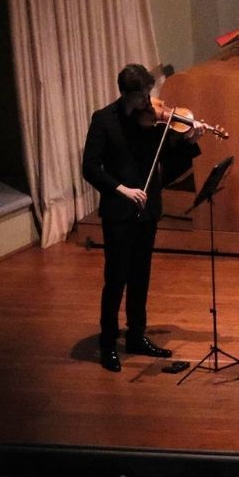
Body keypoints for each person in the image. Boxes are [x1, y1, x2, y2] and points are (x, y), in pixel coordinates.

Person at [82, 64, 201, 372]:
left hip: (147, 209)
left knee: (140, 276)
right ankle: (108, 343)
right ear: (127, 93)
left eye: (149, 93)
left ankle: (136, 335)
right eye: (142, 95)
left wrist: (189, 140)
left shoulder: (149, 120)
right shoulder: (104, 120)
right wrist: (121, 189)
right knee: (116, 278)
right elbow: (90, 167)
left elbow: (170, 162)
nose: (148, 101)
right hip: (119, 212)